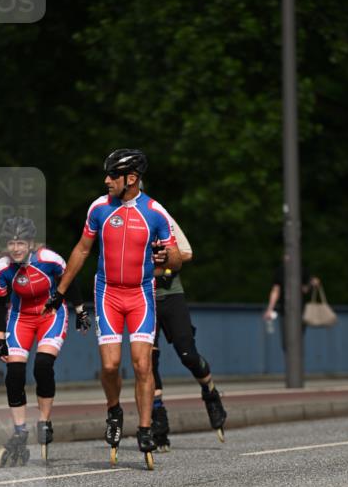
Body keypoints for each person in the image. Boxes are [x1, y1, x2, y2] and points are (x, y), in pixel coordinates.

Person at [45, 149, 181, 468]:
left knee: (142, 365)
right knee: (110, 366)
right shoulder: (99, 209)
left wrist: (166, 260)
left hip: (141, 294)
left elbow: (176, 256)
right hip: (107, 293)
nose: (106, 180)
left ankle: (145, 429)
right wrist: (60, 290)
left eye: (111, 175)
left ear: (130, 179)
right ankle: (114, 410)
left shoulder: (155, 212)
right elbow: (81, 249)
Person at [0, 216, 89, 466]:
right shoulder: (2, 267)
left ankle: (44, 421)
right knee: (14, 373)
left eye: (21, 243)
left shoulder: (49, 259)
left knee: (42, 365)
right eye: (11, 243)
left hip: (50, 315)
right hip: (20, 318)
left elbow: (70, 280)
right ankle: (20, 430)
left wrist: (80, 311)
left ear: (31, 243)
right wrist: (0, 338)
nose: (15, 248)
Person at [150, 213, 227, 449]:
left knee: (187, 353)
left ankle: (210, 393)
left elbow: (187, 253)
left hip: (171, 295)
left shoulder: (159, 216)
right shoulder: (120, 222)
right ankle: (158, 420)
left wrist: (162, 261)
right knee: (147, 360)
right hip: (143, 298)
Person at [263, 259, 320, 351]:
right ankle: (290, 362)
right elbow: (275, 290)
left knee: (297, 341)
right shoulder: (280, 271)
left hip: (300, 312)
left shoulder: (302, 270)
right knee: (286, 343)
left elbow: (305, 289)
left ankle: (296, 362)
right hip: (284, 311)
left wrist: (311, 283)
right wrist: (270, 309)